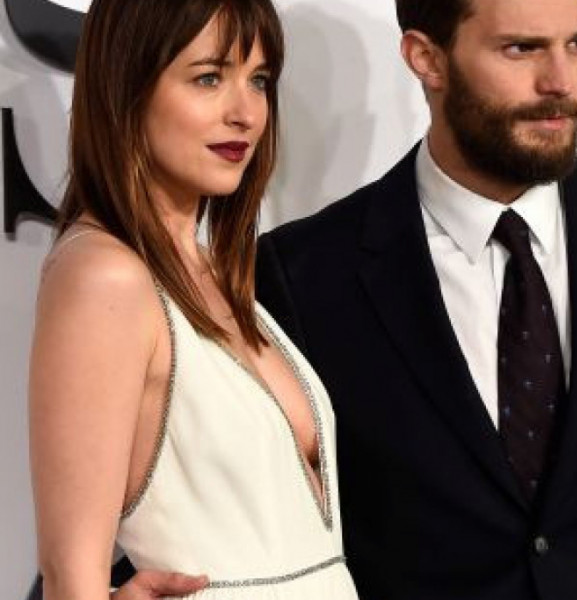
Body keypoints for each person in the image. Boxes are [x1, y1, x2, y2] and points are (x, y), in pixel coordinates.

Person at [127, 0, 577, 598]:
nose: (561, 81)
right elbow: (227, 502)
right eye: (521, 49)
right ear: (426, 58)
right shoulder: (304, 272)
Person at [28, 0, 358, 599]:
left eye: (259, 80)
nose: (245, 113)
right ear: (127, 87)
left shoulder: (210, 270)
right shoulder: (105, 277)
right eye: (209, 78)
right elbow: (72, 574)